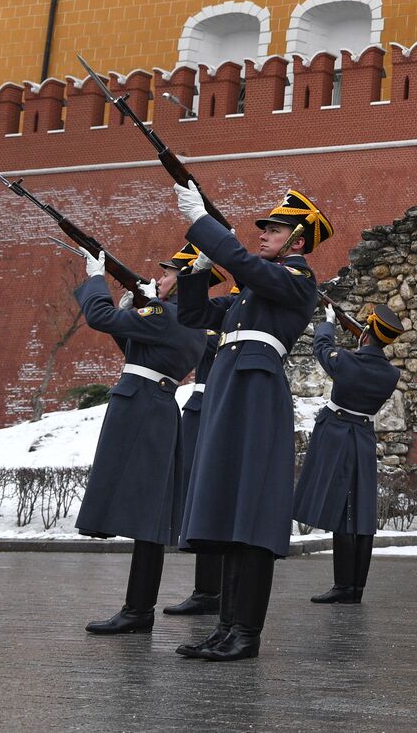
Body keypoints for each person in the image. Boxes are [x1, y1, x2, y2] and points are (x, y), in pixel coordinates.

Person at [173, 185, 331, 661]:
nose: (264, 235)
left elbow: (244, 264)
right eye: (264, 228)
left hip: (256, 391)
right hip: (228, 390)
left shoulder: (299, 281)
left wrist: (205, 224)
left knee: (252, 514)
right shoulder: (250, 293)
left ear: (299, 241)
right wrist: (197, 272)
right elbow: (195, 314)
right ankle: (225, 628)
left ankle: (246, 632)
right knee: (227, 508)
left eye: (276, 229)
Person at [74, 249, 204, 634]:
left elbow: (98, 316)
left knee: (147, 519)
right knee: (150, 517)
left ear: (180, 281)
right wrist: (131, 310)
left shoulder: (166, 315)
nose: (158, 280)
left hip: (139, 409)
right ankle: (138, 609)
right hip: (155, 406)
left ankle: (138, 610)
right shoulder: (190, 321)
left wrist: (97, 279)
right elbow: (140, 353)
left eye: (165, 276)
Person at [294, 303, 404, 603]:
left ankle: (344, 586)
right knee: (362, 511)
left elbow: (321, 348)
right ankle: (355, 588)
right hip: (364, 437)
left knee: (344, 512)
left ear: (366, 333)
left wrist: (329, 322)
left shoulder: (346, 360)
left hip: (337, 434)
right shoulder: (391, 373)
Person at [160, 243, 232, 617]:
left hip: (210, 408)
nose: (164, 278)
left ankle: (210, 590)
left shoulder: (212, 317)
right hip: (200, 407)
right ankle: (207, 588)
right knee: (198, 495)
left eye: (173, 273)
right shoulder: (198, 314)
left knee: (208, 495)